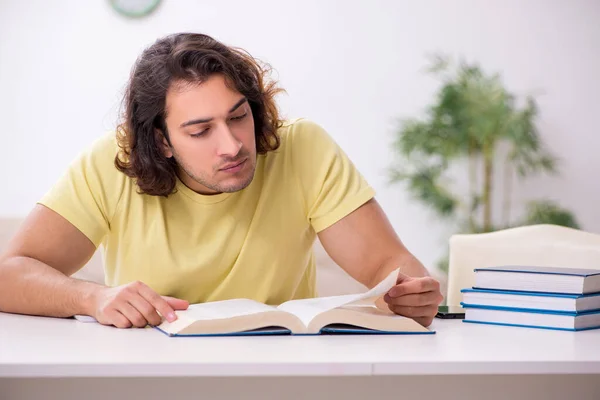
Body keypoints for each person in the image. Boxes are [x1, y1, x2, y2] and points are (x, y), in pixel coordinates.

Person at [0, 32, 443, 329]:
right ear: (162, 140)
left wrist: (413, 292)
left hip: (278, 373)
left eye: (238, 117)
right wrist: (91, 299)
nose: (231, 145)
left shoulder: (302, 147)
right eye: (200, 131)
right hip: (149, 377)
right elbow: (9, 275)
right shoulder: (112, 162)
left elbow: (390, 266)